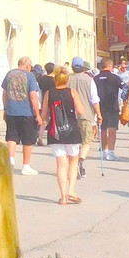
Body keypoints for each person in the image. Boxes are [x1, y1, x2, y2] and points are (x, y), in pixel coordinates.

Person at [42, 66, 86, 204]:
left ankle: (63, 197)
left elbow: (43, 115)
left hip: (55, 132)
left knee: (61, 164)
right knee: (73, 161)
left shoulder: (49, 94)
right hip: (71, 131)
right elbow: (81, 111)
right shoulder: (72, 92)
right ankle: (71, 191)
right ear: (67, 79)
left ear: (55, 79)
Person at [1, 57, 42, 175]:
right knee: (27, 139)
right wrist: (37, 114)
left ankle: (11, 159)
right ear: (28, 65)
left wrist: (5, 108)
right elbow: (33, 95)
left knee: (12, 137)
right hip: (26, 111)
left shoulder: (9, 74)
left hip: (11, 110)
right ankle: (26, 165)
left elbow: (5, 93)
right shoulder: (30, 76)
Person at [67, 57, 102, 178]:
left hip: (69, 115)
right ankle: (80, 161)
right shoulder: (89, 80)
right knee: (86, 141)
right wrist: (99, 115)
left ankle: (73, 163)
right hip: (86, 115)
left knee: (73, 142)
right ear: (83, 67)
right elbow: (94, 99)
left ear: (72, 67)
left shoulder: (67, 79)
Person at [93, 58, 123, 161]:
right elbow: (124, 87)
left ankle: (104, 151)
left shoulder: (95, 78)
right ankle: (110, 152)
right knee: (112, 130)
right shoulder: (115, 77)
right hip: (112, 106)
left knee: (102, 129)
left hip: (100, 107)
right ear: (110, 66)